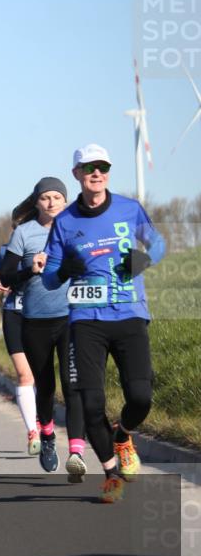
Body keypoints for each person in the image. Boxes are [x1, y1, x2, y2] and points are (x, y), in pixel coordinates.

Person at [42, 144, 165, 503]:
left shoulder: (129, 209)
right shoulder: (64, 222)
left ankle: (123, 434)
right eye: (89, 167)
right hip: (86, 320)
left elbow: (157, 244)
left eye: (103, 167)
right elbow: (50, 278)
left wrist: (138, 261)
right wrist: (64, 269)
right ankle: (111, 474)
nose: (97, 173)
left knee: (141, 397)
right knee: (91, 403)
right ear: (77, 174)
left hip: (129, 314)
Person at [2, 177, 87, 479]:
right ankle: (48, 435)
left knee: (73, 384)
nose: (51, 202)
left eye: (57, 197)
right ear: (36, 202)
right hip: (35, 321)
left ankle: (76, 452)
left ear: (65, 201)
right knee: (46, 387)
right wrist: (30, 269)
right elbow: (7, 277)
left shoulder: (76, 229)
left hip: (71, 318)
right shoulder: (24, 234)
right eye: (45, 198)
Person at [0, 234, 38, 456]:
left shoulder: (48, 245)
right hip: (13, 313)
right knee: (24, 375)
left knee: (40, 375)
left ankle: (44, 421)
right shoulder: (4, 251)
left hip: (41, 315)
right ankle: (32, 431)